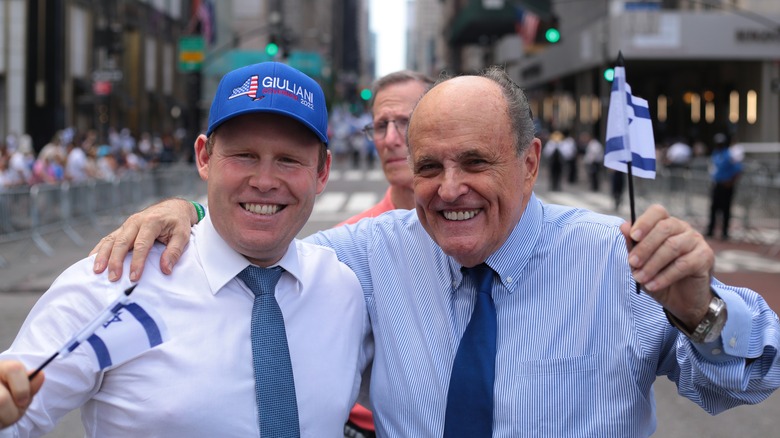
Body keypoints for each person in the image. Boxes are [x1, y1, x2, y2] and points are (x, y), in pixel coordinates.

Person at [87, 66, 780, 436]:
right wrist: (186, 209)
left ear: (531, 161)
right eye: (429, 167)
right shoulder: (368, 254)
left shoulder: (617, 260)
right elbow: (262, 238)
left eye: (476, 163)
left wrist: (701, 308)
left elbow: (746, 382)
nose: (450, 191)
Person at [0, 62, 370, 437]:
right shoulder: (114, 282)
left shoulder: (342, 288)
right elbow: (16, 408)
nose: (264, 181)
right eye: (244, 155)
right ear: (204, 157)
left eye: (288, 160)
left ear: (322, 172)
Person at [342, 70, 435, 226]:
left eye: (406, 122)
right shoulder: (349, 244)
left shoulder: (482, 235)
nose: (389, 139)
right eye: (381, 125)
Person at [706, 133, 743, 240]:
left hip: (726, 186)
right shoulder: (716, 154)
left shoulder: (730, 155)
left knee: (725, 209)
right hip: (717, 184)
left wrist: (731, 182)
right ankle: (711, 230)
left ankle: (725, 232)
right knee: (714, 208)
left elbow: (738, 169)